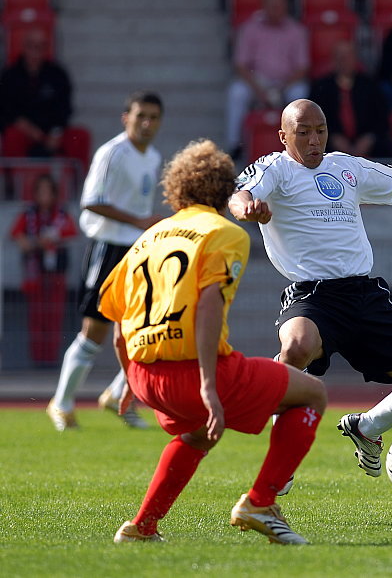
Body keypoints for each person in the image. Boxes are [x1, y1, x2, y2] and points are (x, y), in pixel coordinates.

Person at [228, 98, 392, 479]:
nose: (315, 140)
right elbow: (239, 194)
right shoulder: (274, 169)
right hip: (311, 296)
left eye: (320, 131)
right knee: (296, 347)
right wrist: (247, 209)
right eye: (303, 132)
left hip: (364, 295)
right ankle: (278, 468)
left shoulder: (345, 166)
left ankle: (368, 428)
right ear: (283, 136)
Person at [99, 139, 326, 544]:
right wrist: (207, 385)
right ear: (225, 191)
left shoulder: (148, 238)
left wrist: (128, 382)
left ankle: (142, 527)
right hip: (195, 374)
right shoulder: (225, 233)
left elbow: (118, 321)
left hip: (145, 376)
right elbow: (208, 305)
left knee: (197, 433)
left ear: (176, 189)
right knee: (312, 394)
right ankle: (260, 501)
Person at [46, 91, 165, 432]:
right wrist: (139, 221)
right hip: (108, 247)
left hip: (138, 249)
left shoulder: (153, 156)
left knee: (149, 327)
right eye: (141, 115)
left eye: (154, 117)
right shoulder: (112, 153)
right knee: (95, 331)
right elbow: (91, 202)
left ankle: (117, 396)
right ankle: (62, 403)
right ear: (125, 117)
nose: (147, 123)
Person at [225, 0, 309, 159]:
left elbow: (302, 67)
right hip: (257, 81)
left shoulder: (296, 30)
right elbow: (240, 65)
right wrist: (259, 90)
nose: (275, 9)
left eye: (279, 5)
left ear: (286, 6)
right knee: (237, 92)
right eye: (272, 6)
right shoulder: (250, 28)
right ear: (264, 6)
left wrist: (282, 87)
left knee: (301, 95)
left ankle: (300, 143)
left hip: (287, 82)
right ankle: (234, 145)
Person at [10, 174, 78, 365]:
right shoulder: (29, 213)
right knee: (37, 316)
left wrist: (53, 239)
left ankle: (51, 359)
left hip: (57, 273)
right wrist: (31, 243)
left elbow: (72, 232)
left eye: (48, 191)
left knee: (54, 316)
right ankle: (37, 360)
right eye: (41, 191)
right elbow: (16, 233)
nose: (45, 195)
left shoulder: (62, 214)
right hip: (36, 273)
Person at [309, 41, 392, 159]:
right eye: (340, 57)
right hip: (330, 143)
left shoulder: (370, 85)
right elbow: (313, 118)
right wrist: (332, 136)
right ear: (333, 60)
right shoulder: (321, 87)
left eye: (348, 57)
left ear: (355, 59)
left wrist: (369, 138)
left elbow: (382, 118)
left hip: (367, 142)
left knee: (386, 146)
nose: (344, 61)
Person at [0, 27, 72, 158]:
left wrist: (55, 132)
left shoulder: (58, 75)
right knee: (11, 137)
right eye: (31, 46)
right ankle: (13, 178)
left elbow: (64, 108)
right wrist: (28, 129)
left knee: (79, 137)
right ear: (24, 47)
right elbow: (6, 108)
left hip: (51, 130)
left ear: (45, 49)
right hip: (22, 130)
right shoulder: (10, 75)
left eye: (39, 47)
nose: (34, 52)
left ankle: (79, 177)